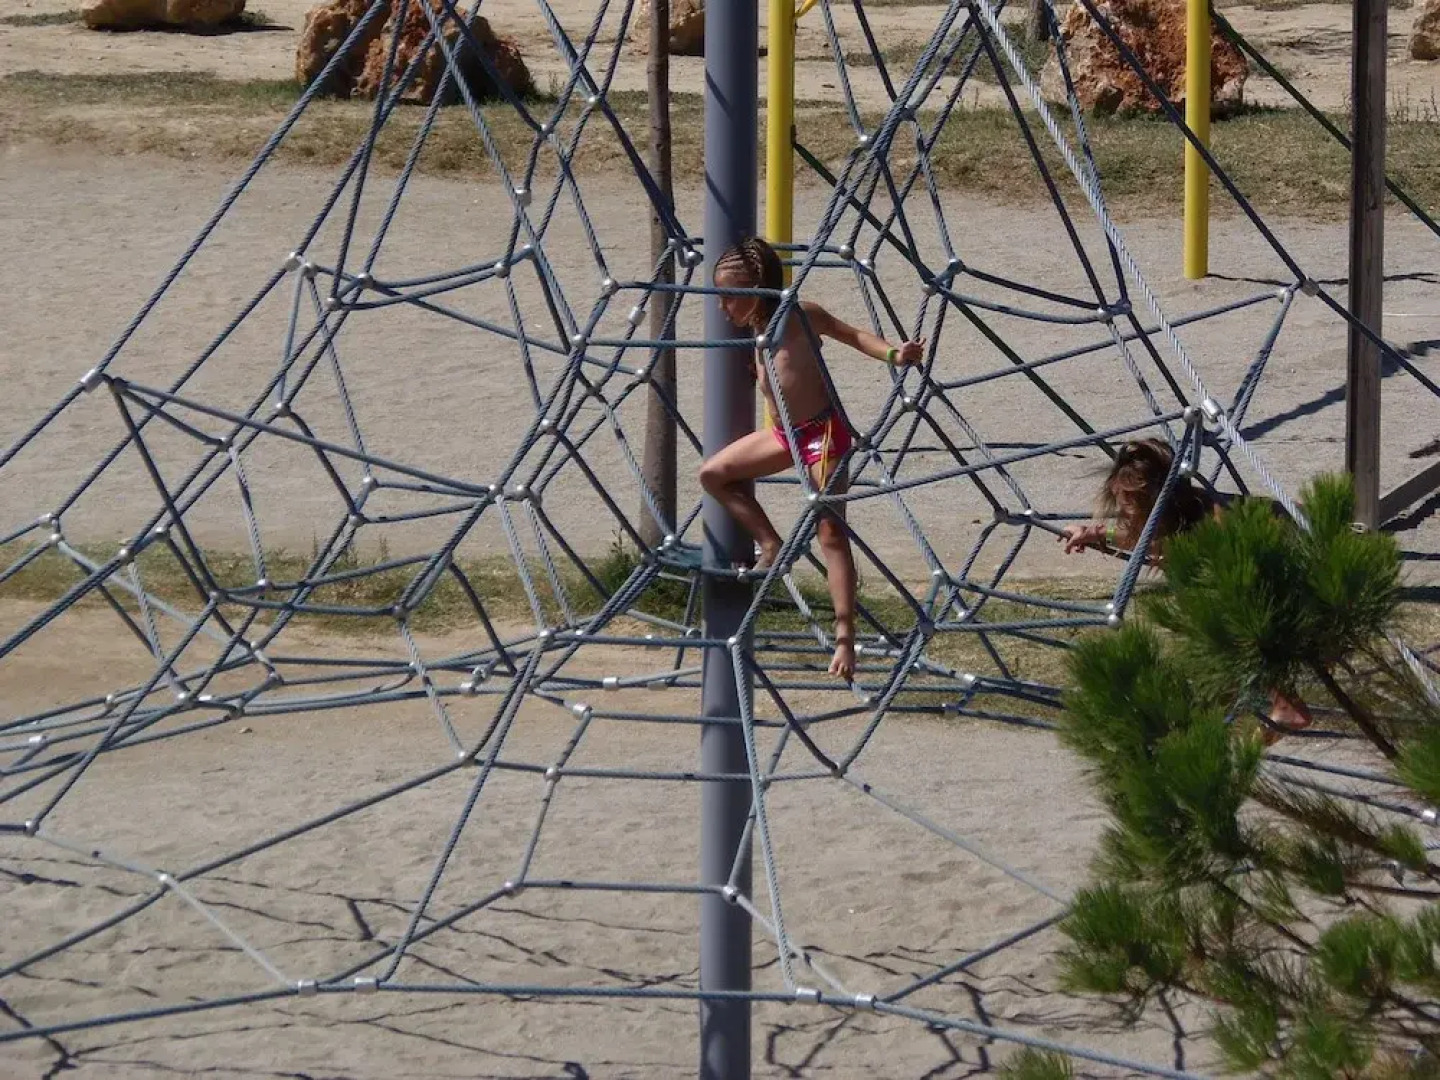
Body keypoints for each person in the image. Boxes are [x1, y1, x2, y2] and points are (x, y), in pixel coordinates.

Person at [697, 237, 924, 682]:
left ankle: (845, 639)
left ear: (758, 289)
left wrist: (896, 354)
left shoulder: (801, 316)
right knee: (713, 474)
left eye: (729, 296)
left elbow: (852, 335)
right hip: (786, 436)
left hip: (822, 437)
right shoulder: (755, 334)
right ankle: (770, 543)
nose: (722, 306)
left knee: (831, 534)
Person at [1059, 437, 1313, 741]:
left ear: (1156, 505)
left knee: (1220, 623)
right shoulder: (1184, 514)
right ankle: (1263, 700)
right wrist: (1093, 533)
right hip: (1290, 546)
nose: (1125, 518)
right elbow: (1142, 536)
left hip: (1304, 562)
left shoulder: (1212, 529)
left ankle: (1282, 704)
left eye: (1130, 512)